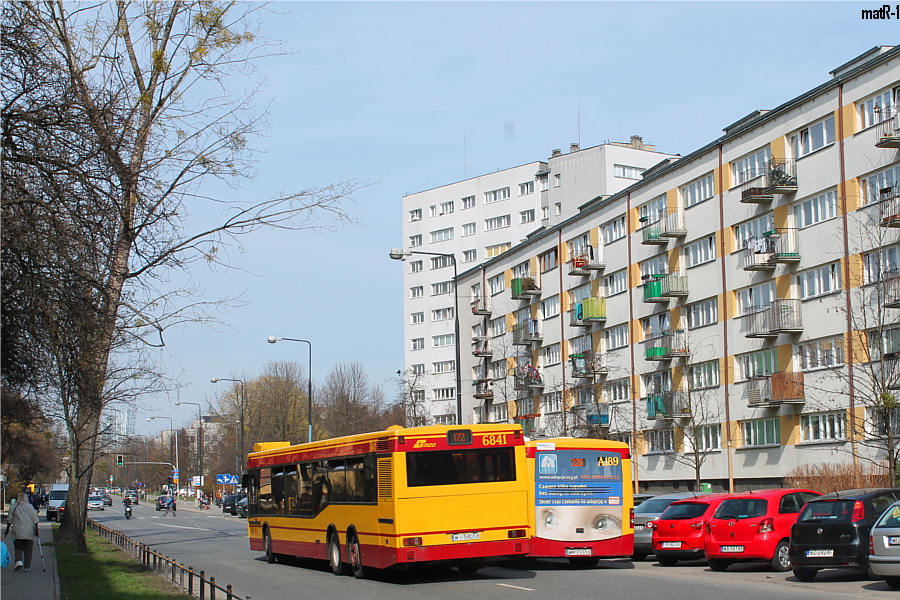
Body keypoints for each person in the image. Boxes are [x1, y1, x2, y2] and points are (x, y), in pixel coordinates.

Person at [7, 492, 39, 571]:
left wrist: (7, 529)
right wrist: (37, 530)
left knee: (18, 547)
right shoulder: (30, 507)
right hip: (29, 530)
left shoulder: (13, 507)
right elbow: (35, 520)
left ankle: (18, 561)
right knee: (28, 548)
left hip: (17, 530)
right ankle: (27, 566)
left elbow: (9, 520)